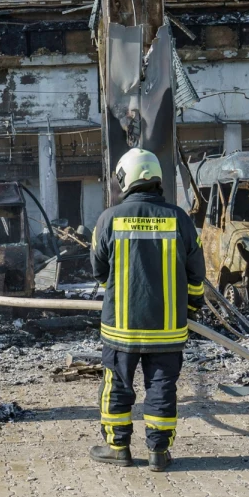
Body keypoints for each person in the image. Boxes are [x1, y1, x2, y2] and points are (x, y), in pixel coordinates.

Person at [89, 148, 205, 471]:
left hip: (121, 330)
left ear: (126, 178)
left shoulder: (108, 220)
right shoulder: (180, 220)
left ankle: (118, 448)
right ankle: (158, 453)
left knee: (117, 385)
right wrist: (192, 308)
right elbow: (197, 276)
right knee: (162, 387)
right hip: (167, 329)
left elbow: (99, 270)